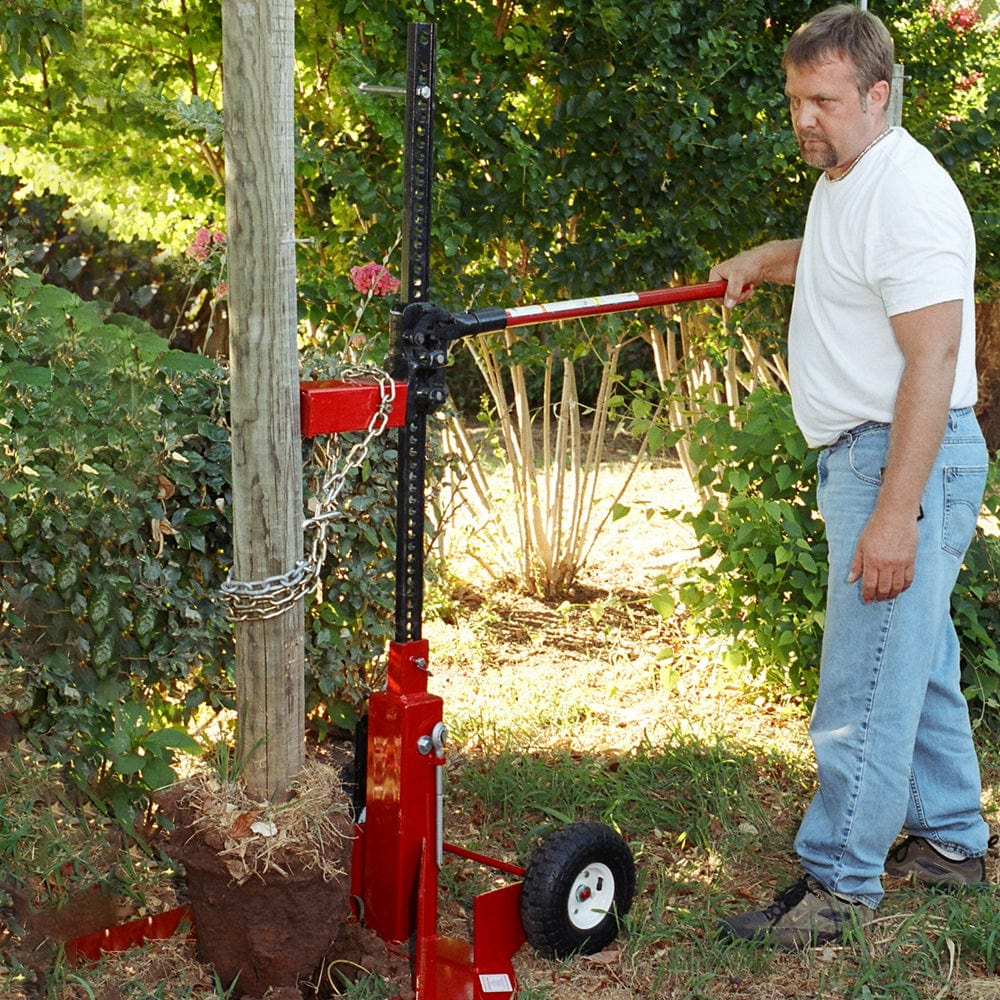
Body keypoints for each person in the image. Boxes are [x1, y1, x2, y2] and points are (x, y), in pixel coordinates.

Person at [710, 4, 993, 948]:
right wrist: (766, 259)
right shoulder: (850, 180)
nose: (804, 118)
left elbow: (934, 357)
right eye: (795, 99)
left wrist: (895, 513)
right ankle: (953, 843)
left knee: (865, 683)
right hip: (877, 453)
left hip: (899, 457)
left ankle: (838, 886)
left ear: (878, 95)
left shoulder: (907, 192)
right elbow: (843, 270)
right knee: (917, 664)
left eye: (823, 100)